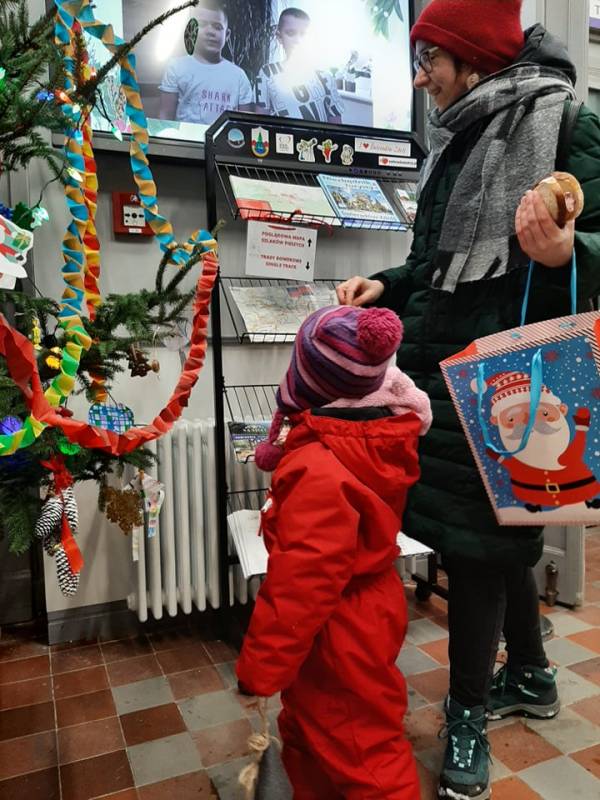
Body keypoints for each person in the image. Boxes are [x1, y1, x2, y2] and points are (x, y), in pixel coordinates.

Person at [336, 1, 600, 798]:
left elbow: (588, 244)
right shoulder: (458, 139)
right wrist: (385, 283)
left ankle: (468, 715)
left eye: (431, 61)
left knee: (479, 549)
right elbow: (437, 264)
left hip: (509, 378)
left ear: (474, 58)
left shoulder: (567, 125)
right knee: (489, 533)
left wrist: (570, 250)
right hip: (441, 374)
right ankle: (533, 675)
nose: (421, 78)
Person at [236, 305, 432, 799]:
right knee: (308, 731)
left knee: (364, 753)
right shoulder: (367, 437)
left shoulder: (319, 467)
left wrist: (261, 668)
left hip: (337, 629)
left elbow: (302, 585)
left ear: (308, 385)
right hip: (362, 610)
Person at [159, 0, 253, 125]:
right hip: (186, 137)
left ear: (227, 35)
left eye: (217, 27)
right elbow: (165, 116)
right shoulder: (176, 67)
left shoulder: (239, 76)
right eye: (202, 24)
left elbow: (245, 125)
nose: (210, 32)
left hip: (224, 138)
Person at [255, 7, 343, 124]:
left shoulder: (325, 77)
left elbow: (336, 126)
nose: (298, 40)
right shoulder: (267, 73)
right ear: (279, 37)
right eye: (291, 33)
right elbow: (260, 124)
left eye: (304, 34)